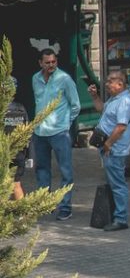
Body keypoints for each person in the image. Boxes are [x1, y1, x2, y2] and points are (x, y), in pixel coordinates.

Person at [32, 48, 81, 220]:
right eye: (47, 62)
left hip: (59, 132)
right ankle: (45, 205)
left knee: (65, 171)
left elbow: (76, 105)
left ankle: (65, 207)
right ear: (40, 63)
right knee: (42, 170)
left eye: (54, 61)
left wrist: (65, 123)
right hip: (40, 132)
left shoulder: (64, 79)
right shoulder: (35, 79)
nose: (51, 65)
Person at [87, 71, 130, 231]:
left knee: (118, 184)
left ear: (120, 84)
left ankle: (121, 219)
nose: (106, 84)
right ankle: (115, 214)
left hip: (114, 150)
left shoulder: (124, 101)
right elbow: (102, 109)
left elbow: (121, 127)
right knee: (113, 182)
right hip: (108, 148)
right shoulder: (115, 99)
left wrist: (108, 143)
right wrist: (95, 96)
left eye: (110, 82)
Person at [4, 76, 30, 200]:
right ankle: (22, 211)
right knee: (16, 184)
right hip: (18, 153)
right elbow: (27, 132)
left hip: (4, 151)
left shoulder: (2, 109)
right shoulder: (21, 108)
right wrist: (28, 155)